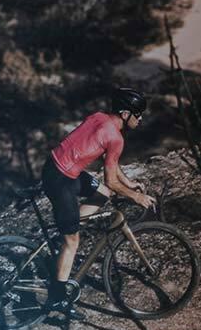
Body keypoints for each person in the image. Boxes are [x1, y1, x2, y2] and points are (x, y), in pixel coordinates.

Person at [43, 88, 156, 308]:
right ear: (125, 114)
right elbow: (111, 180)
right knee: (72, 241)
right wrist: (136, 197)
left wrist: (128, 183)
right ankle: (57, 298)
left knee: (103, 193)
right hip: (61, 181)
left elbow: (110, 162)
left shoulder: (99, 117)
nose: (141, 119)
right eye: (138, 114)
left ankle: (70, 228)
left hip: (55, 169)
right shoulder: (116, 138)